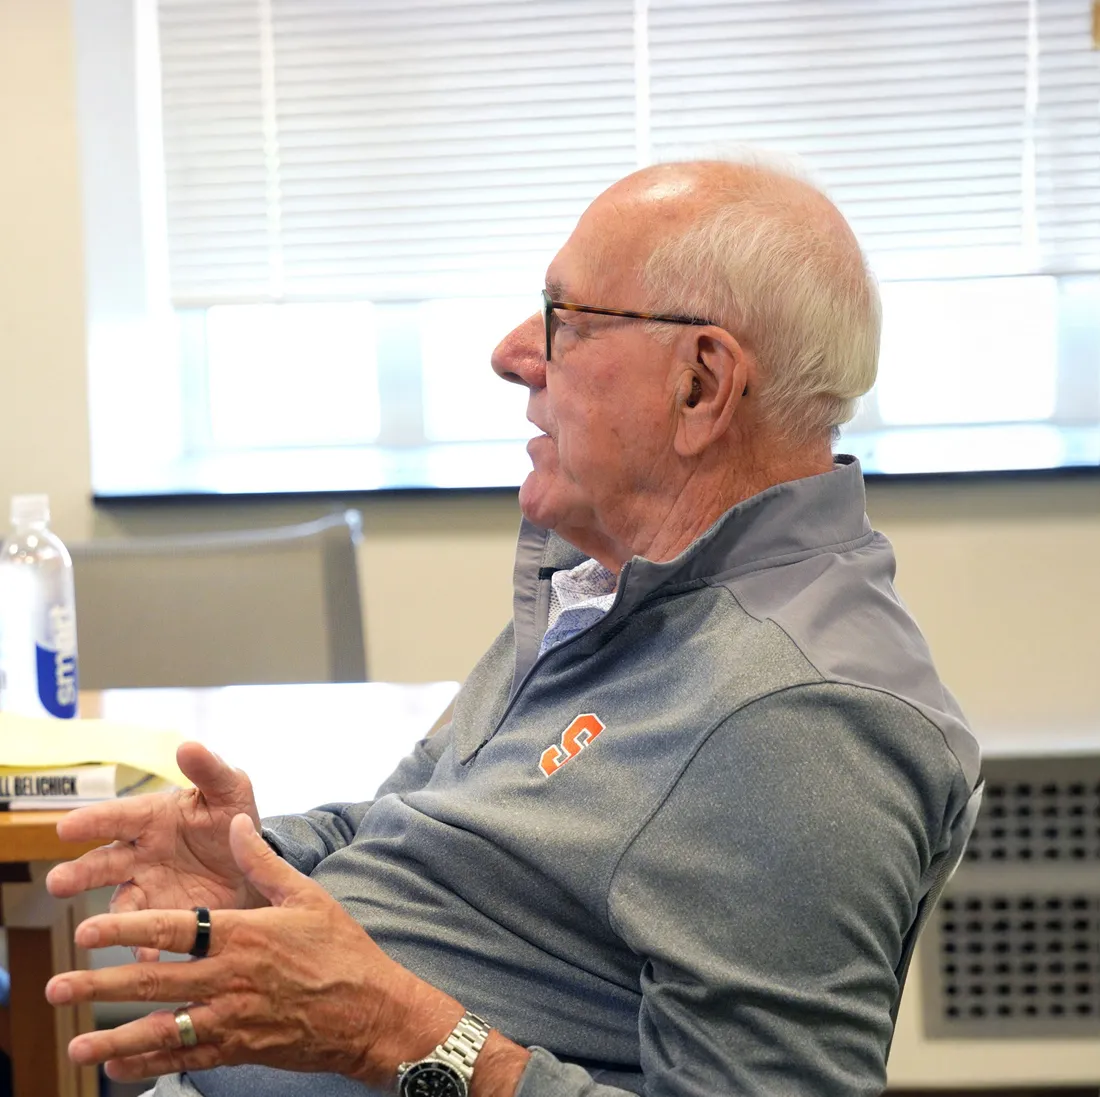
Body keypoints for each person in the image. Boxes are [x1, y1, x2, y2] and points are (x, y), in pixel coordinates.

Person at [45, 157, 980, 1097]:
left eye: (563, 319)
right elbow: (424, 830)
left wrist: (392, 1033)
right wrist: (261, 865)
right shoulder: (606, 586)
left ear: (700, 386)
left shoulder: (797, 719)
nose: (511, 353)